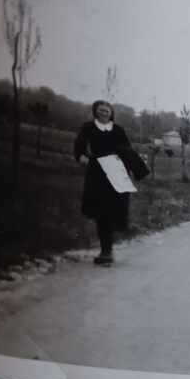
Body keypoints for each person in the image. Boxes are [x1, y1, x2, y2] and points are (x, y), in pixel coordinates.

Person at [73, 100, 148, 266]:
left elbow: (127, 150)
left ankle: (109, 247)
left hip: (116, 172)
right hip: (97, 174)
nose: (103, 113)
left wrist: (137, 170)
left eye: (107, 111)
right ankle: (106, 251)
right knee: (100, 212)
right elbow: (79, 146)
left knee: (114, 210)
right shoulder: (89, 127)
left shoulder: (118, 130)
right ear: (95, 111)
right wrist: (84, 159)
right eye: (100, 110)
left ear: (111, 113)